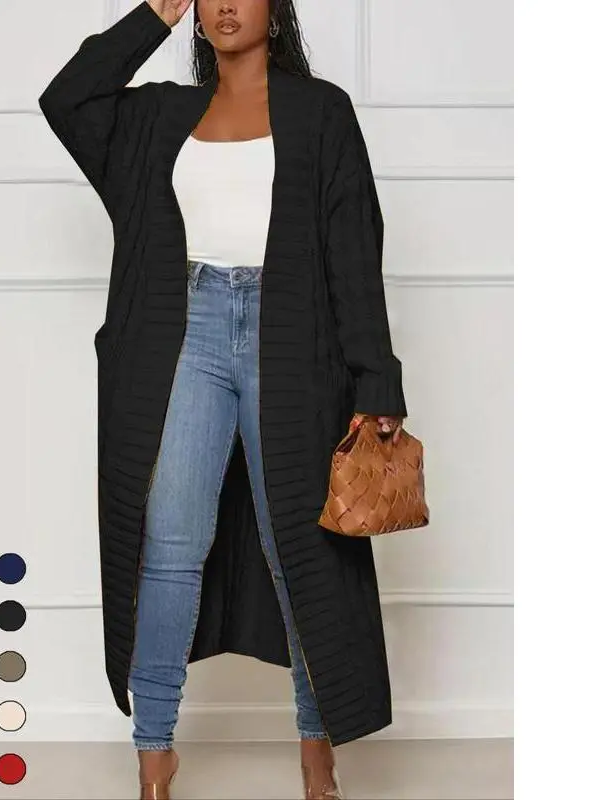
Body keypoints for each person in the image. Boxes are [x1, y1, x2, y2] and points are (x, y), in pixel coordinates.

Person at [38, 1, 407, 797]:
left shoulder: (321, 111)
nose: (227, 3)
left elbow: (354, 248)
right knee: (169, 544)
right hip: (184, 331)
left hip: (292, 338)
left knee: (299, 547)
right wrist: (151, 17)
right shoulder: (157, 116)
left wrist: (376, 378)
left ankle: (315, 745)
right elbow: (67, 98)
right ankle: (154, 751)